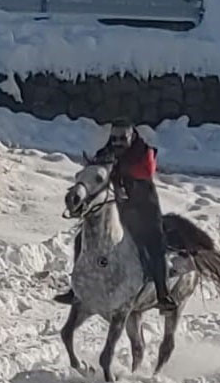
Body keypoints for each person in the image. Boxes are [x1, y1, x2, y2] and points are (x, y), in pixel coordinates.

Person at [54, 121, 178, 311]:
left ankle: (162, 293)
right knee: (82, 239)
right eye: (114, 138)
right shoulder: (107, 152)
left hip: (143, 210)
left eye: (122, 139)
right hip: (117, 210)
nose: (117, 143)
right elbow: (96, 171)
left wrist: (119, 168)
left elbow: (146, 170)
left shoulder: (144, 152)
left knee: (155, 244)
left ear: (132, 136)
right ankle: (76, 289)